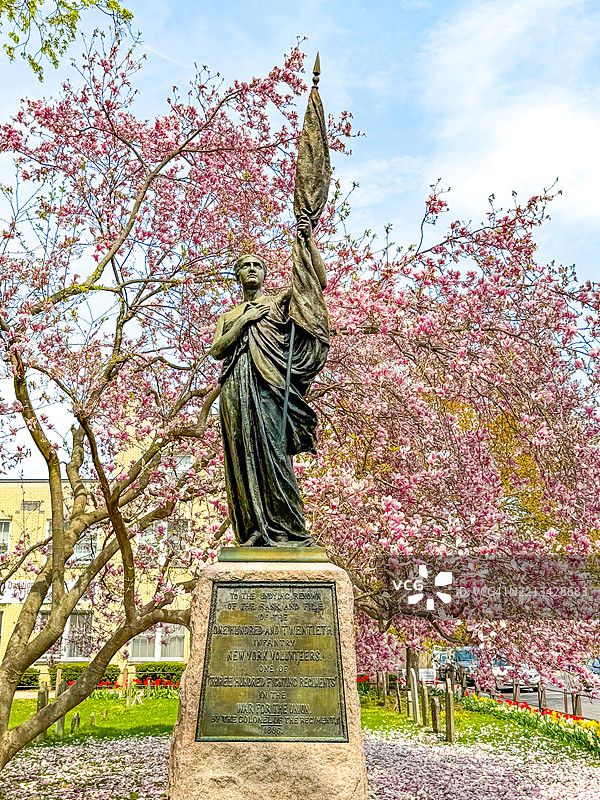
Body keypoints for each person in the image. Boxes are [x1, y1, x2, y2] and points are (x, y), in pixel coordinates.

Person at [210, 223, 328, 546]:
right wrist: (245, 321)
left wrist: (307, 242)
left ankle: (291, 529)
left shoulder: (277, 303)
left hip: (268, 387)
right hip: (235, 386)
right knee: (242, 456)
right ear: (237, 275)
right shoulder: (230, 315)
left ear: (264, 273)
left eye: (256, 265)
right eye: (244, 265)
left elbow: (317, 283)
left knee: (273, 454)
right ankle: (253, 530)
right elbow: (217, 349)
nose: (250, 269)